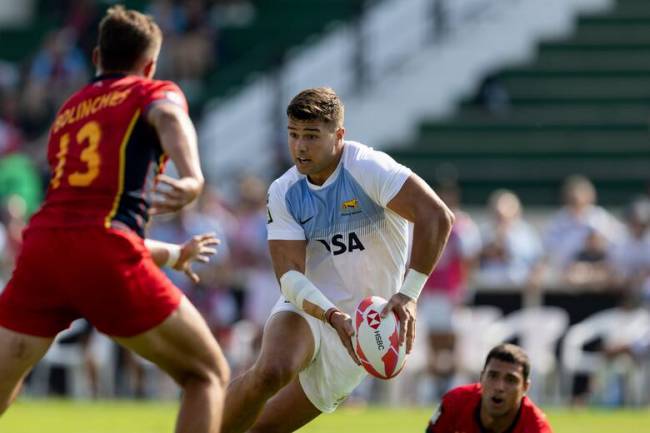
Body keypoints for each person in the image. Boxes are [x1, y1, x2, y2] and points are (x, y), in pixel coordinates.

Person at [0, 6, 230, 433]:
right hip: (103, 249)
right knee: (207, 375)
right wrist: (194, 177)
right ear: (151, 65)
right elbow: (169, 116)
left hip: (42, 250)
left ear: (95, 58)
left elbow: (79, 223)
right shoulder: (151, 91)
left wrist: (175, 253)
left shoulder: (69, 112)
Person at [222, 87, 455, 433]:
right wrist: (331, 314)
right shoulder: (284, 191)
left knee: (265, 430)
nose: (300, 147)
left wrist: (408, 295)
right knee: (272, 371)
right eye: (293, 135)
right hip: (311, 305)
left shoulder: (367, 168)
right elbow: (288, 276)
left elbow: (437, 216)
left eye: (312, 136)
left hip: (368, 327)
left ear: (339, 135)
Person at [426, 344, 553, 433]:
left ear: (525, 387)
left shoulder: (536, 428)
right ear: (481, 378)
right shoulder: (455, 402)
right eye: (493, 376)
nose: (499, 387)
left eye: (510, 380)